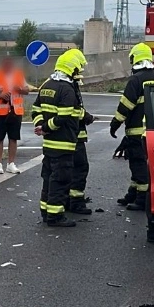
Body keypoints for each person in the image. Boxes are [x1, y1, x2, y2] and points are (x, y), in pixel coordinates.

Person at [111, 43, 154, 243]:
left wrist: (115, 124)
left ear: (134, 59)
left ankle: (141, 199)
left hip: (137, 131)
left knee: (139, 165)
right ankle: (133, 193)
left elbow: (125, 105)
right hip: (153, 131)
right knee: (138, 165)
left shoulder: (135, 80)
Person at [31, 49, 86, 227]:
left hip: (49, 145)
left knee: (48, 178)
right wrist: (46, 128)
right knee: (60, 180)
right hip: (64, 144)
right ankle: (55, 216)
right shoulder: (67, 89)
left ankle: (45, 212)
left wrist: (41, 126)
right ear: (72, 68)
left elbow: (35, 109)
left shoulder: (47, 85)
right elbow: (64, 116)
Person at [0, 55, 30, 175]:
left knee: (13, 138)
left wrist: (19, 89)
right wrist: (0, 95)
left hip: (15, 111)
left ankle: (11, 163)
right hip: (0, 112)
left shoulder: (18, 75)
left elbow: (27, 90)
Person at [68, 65, 96, 214]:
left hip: (66, 136)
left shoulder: (58, 85)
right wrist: (87, 117)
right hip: (75, 136)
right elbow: (74, 110)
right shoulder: (69, 87)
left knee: (66, 170)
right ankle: (76, 202)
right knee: (80, 168)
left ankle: (66, 200)